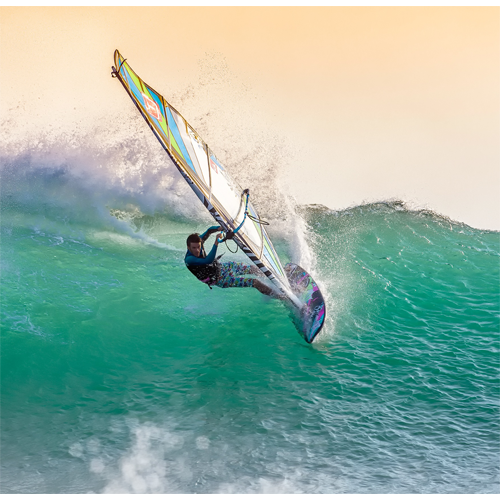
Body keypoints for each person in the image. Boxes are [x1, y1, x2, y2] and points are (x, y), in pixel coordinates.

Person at [184, 225, 276, 296]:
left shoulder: (199, 241)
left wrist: (221, 228)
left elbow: (209, 230)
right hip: (220, 280)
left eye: (199, 247)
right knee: (254, 282)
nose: (197, 250)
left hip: (222, 268)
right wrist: (216, 241)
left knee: (252, 269)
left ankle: (276, 276)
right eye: (194, 248)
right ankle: (280, 296)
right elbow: (208, 260)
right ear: (188, 247)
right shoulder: (190, 259)